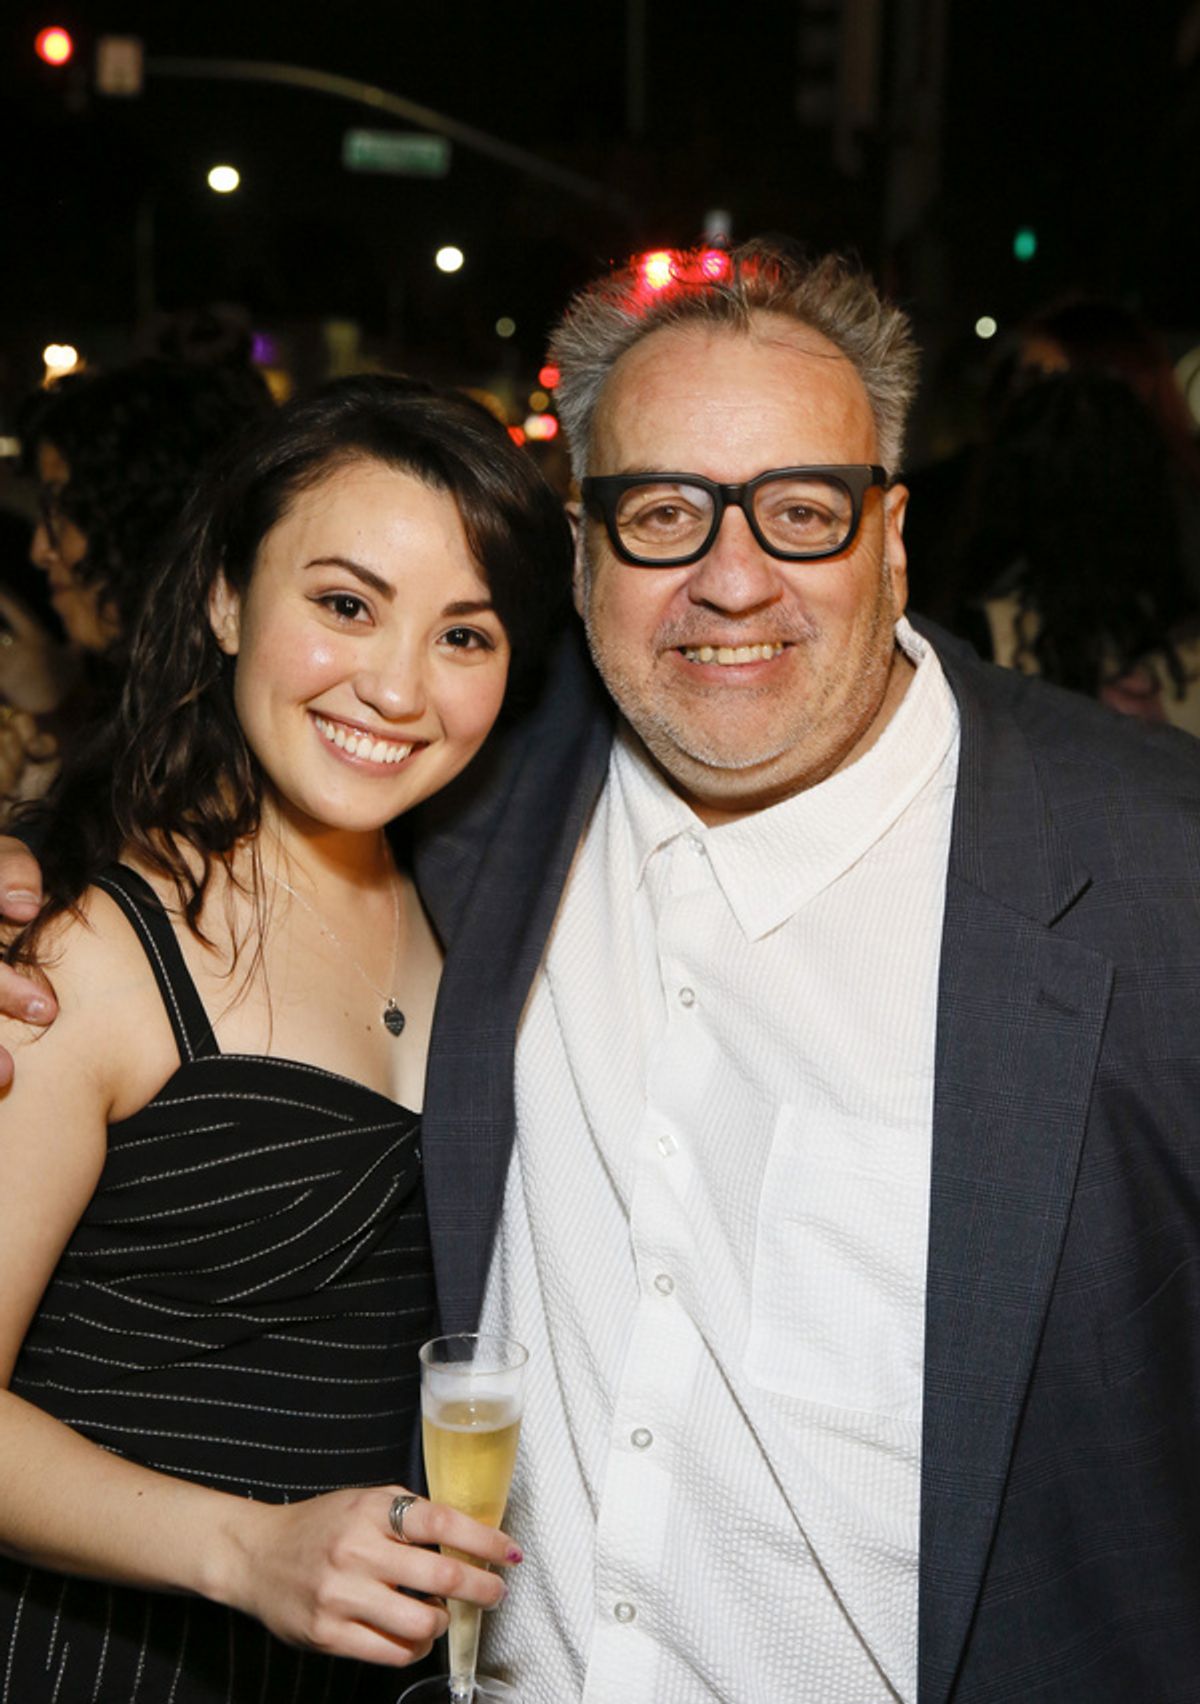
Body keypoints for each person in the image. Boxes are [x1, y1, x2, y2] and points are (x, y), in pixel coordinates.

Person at [3, 240, 1199, 1703]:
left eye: (804, 513)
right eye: (663, 515)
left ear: (896, 535)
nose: (732, 580)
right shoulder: (483, 797)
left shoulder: (1151, 876)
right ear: (582, 551)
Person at [0, 373, 570, 1701]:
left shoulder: (476, 931)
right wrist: (247, 1552)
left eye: (465, 635)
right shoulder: (93, 955)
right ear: (222, 600)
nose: (395, 685)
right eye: (345, 605)